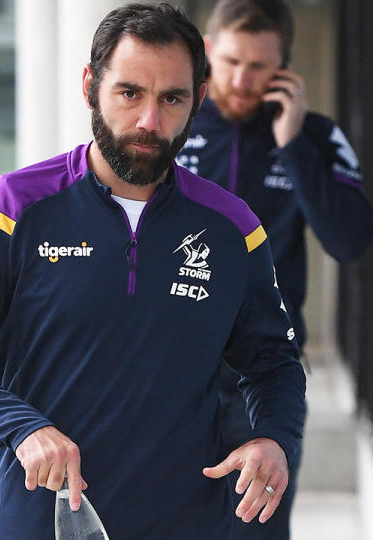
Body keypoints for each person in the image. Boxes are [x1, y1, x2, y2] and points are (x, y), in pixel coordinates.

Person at [0, 3, 306, 539]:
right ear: (91, 85)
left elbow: (273, 362)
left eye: (172, 98)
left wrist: (274, 437)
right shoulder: (11, 207)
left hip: (188, 524)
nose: (149, 122)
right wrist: (19, 428)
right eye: (129, 92)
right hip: (43, 524)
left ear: (199, 99)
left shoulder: (234, 227)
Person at [177, 1, 373, 537]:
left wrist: (292, 148)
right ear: (209, 50)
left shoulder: (314, 137)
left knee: (257, 530)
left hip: (264, 375)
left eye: (260, 66)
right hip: (171, 369)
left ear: (284, 66)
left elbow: (350, 241)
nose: (242, 79)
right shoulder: (172, 126)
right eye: (232, 60)